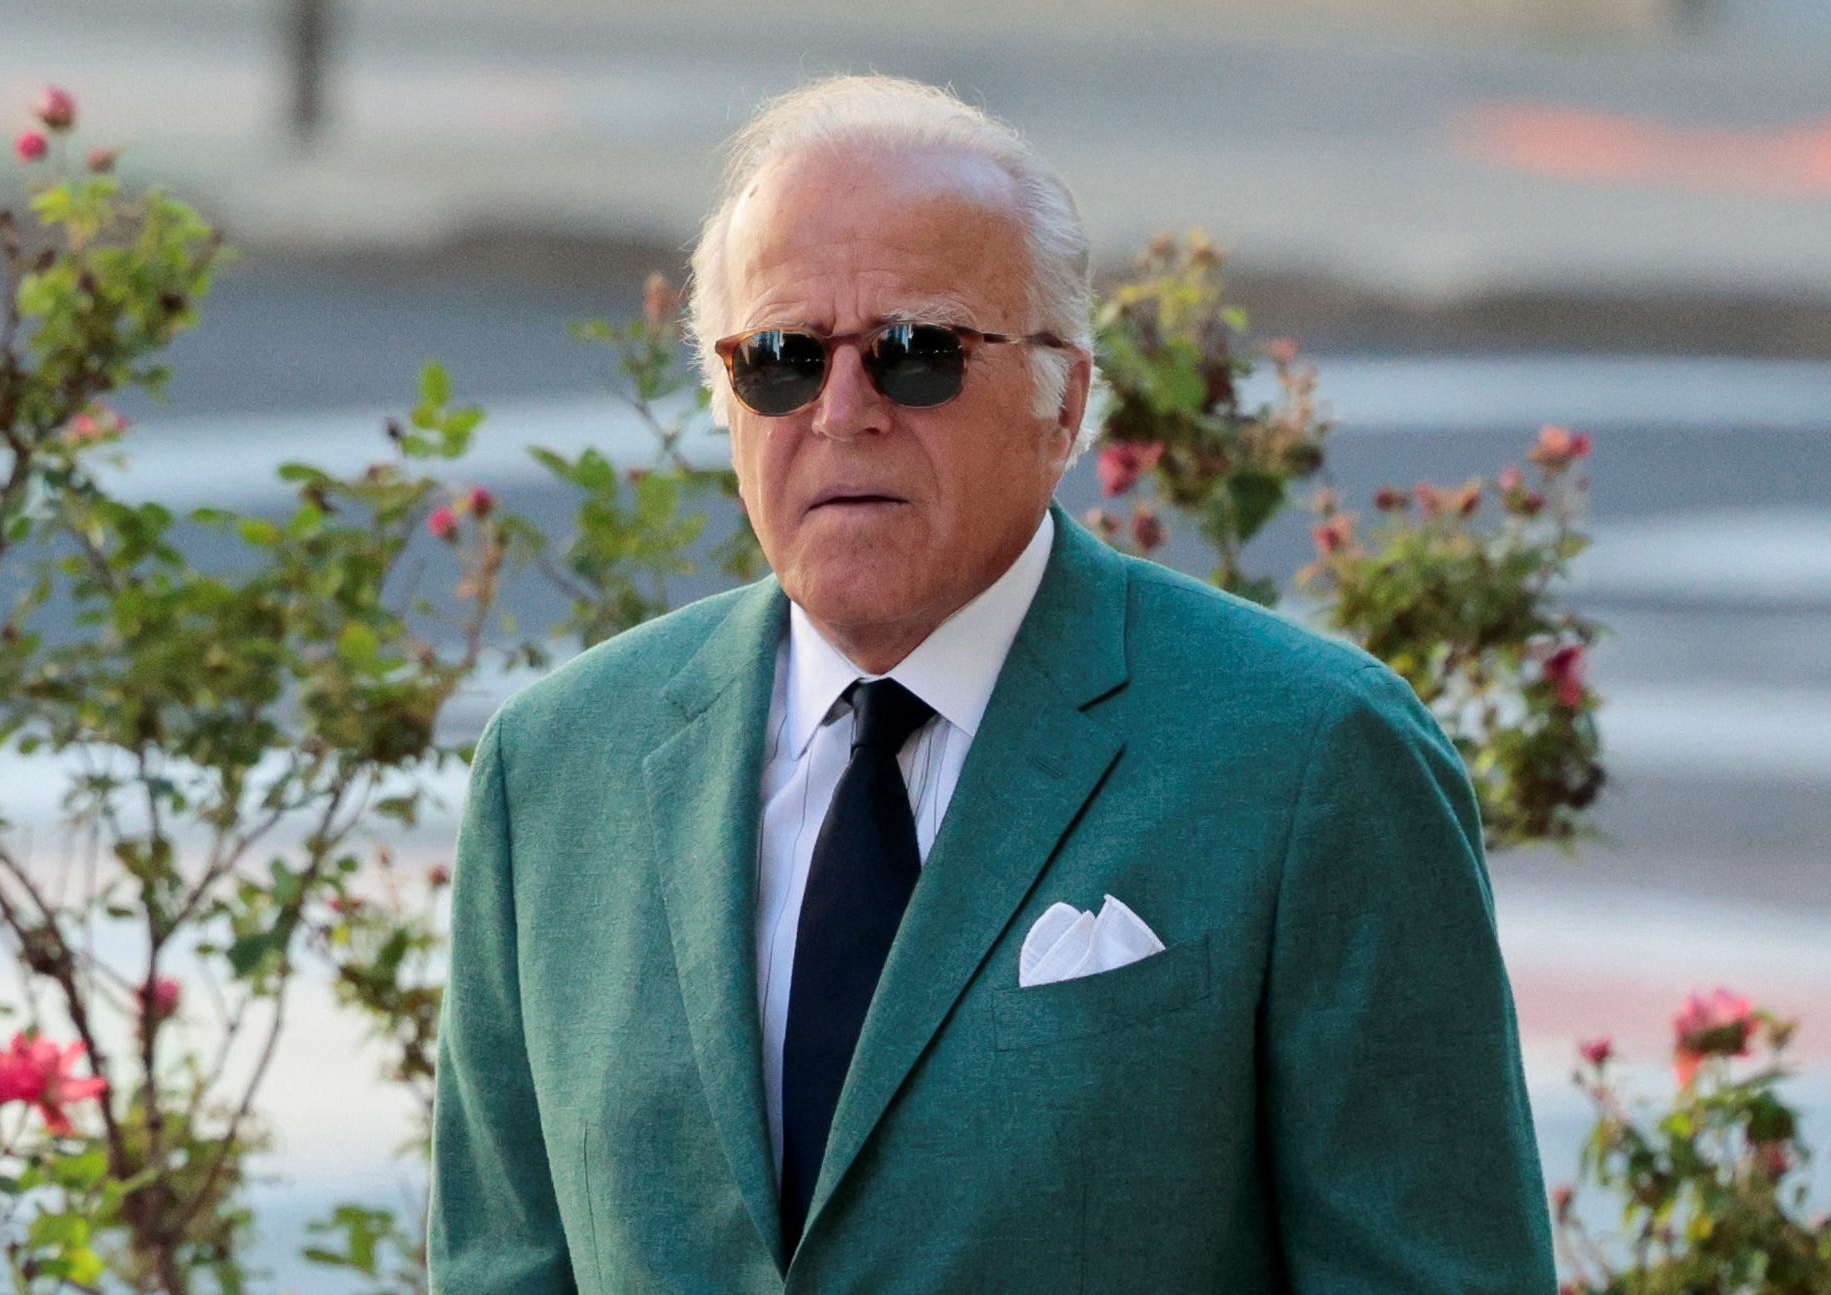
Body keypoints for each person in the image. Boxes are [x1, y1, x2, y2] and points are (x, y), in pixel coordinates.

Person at [427, 74, 1554, 1294]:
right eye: (781, 359)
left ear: (1062, 398)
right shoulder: (557, 766)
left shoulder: (1312, 755)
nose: (842, 411)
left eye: (917, 354)